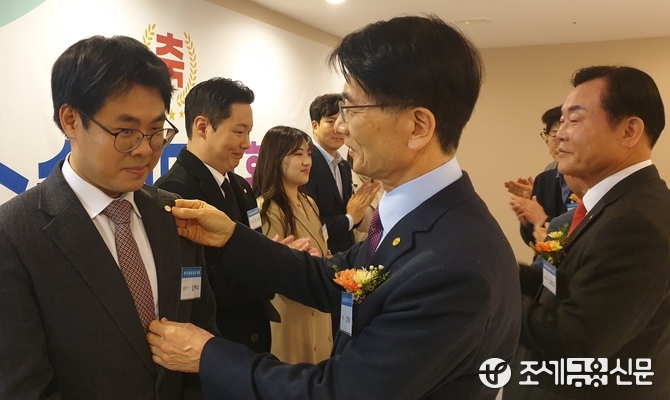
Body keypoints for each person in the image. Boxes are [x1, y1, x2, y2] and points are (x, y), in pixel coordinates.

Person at [148, 15, 521, 400]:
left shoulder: (451, 265)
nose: (342, 128)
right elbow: (334, 277)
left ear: (417, 127)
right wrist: (230, 237)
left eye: (352, 109)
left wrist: (208, 355)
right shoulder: (416, 219)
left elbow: (341, 392)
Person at [0, 35, 218, 399]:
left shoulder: (173, 213)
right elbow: (23, 386)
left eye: (156, 131)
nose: (145, 150)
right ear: (71, 120)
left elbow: (202, 337)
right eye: (126, 132)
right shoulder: (14, 234)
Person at [508, 66, 670, 399]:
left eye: (575, 120)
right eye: (560, 122)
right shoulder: (588, 212)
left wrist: (497, 294)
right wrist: (503, 271)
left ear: (629, 131)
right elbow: (559, 283)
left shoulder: (636, 222)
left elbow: (575, 342)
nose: (559, 135)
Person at [155, 78, 278, 353]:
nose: (246, 143)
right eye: (238, 132)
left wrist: (273, 255)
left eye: (249, 132)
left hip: (253, 338)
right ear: (202, 127)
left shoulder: (240, 185)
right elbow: (195, 285)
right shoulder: (174, 192)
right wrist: (270, 269)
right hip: (216, 345)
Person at [252, 126, 334, 364]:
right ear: (276, 158)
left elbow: (324, 251)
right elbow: (272, 269)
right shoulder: (266, 207)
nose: (307, 161)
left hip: (319, 307)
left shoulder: (310, 203)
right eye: (298, 154)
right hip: (291, 315)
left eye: (308, 154)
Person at [305, 93, 377, 253]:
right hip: (321, 255)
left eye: (343, 121)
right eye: (330, 121)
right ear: (315, 125)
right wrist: (349, 219)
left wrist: (358, 211)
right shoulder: (306, 164)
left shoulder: (344, 166)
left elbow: (351, 215)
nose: (338, 128)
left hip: (346, 253)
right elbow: (310, 223)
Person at [508, 106, 578, 244]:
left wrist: (542, 219)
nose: (558, 142)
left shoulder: (590, 180)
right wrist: (528, 221)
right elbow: (533, 241)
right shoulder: (544, 179)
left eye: (563, 135)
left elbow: (583, 234)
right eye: (554, 135)